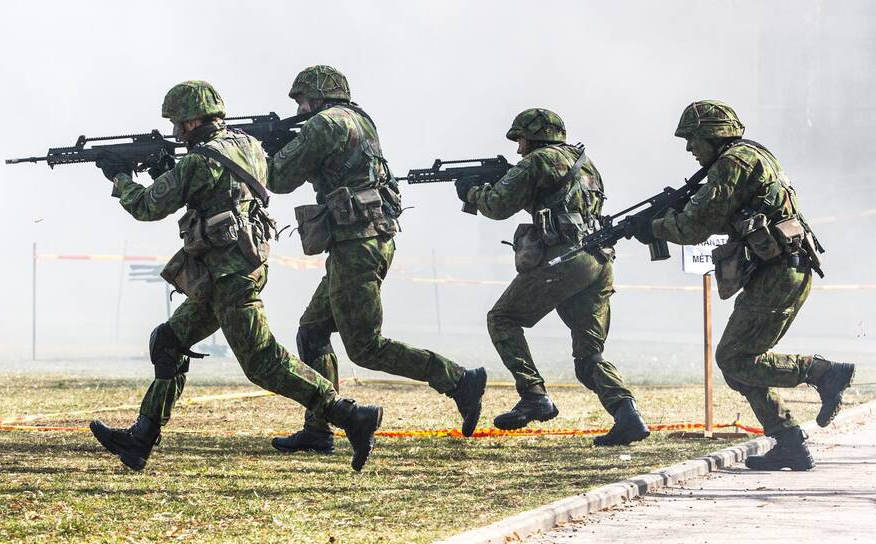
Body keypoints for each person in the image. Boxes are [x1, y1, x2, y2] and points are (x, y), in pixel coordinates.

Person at [87, 80, 383, 472]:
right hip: (231, 270)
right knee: (169, 342)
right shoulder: (246, 146)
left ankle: (350, 416)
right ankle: (140, 439)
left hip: (230, 279)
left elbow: (146, 206)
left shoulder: (199, 161)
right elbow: (216, 189)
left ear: (191, 123)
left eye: (178, 123)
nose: (175, 131)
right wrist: (168, 170)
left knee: (264, 363)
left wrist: (120, 178)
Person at [266, 65, 487, 454]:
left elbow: (279, 178)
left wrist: (257, 151)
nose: (299, 109)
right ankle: (319, 428)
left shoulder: (325, 124)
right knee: (312, 332)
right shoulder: (359, 120)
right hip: (364, 240)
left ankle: (458, 380)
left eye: (302, 100)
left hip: (358, 244)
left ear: (318, 96)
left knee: (365, 347)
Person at [628, 100, 855, 470]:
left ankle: (823, 373)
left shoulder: (734, 163)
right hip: (778, 271)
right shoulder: (746, 158)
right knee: (739, 364)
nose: (690, 149)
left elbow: (693, 226)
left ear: (713, 136)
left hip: (781, 272)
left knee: (733, 358)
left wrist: (652, 227)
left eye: (693, 140)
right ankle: (789, 442)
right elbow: (721, 218)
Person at [458, 108, 649, 445]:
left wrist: (472, 193)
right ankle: (626, 413)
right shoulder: (583, 160)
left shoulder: (537, 162)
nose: (518, 149)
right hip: (597, 259)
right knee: (589, 357)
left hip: (565, 259)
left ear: (534, 136)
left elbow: (497, 206)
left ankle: (534, 396)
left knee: (502, 318)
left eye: (521, 140)